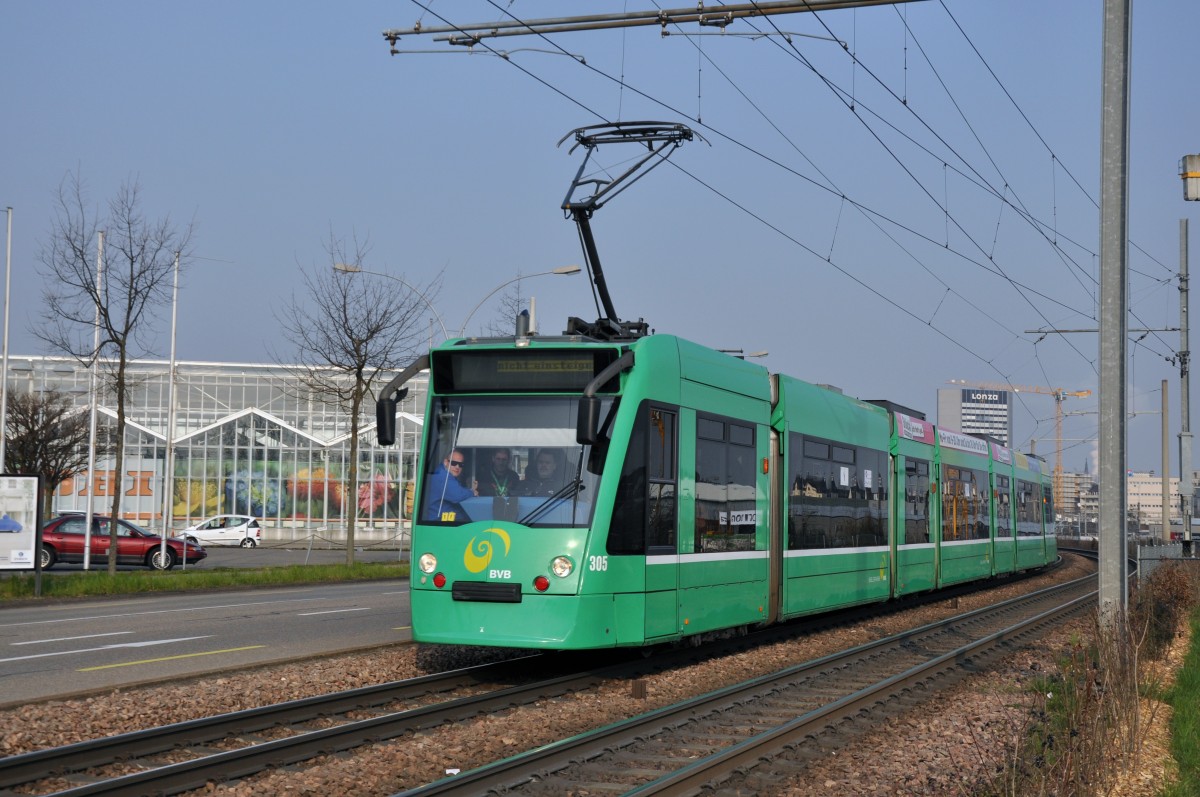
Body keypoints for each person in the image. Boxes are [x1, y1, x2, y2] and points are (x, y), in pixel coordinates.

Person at [423, 449, 477, 522]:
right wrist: (472, 492)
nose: (457, 467)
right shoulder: (442, 476)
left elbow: (457, 490)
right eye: (453, 463)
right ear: (446, 462)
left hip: (445, 518)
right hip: (439, 521)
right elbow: (457, 495)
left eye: (461, 465)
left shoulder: (443, 473)